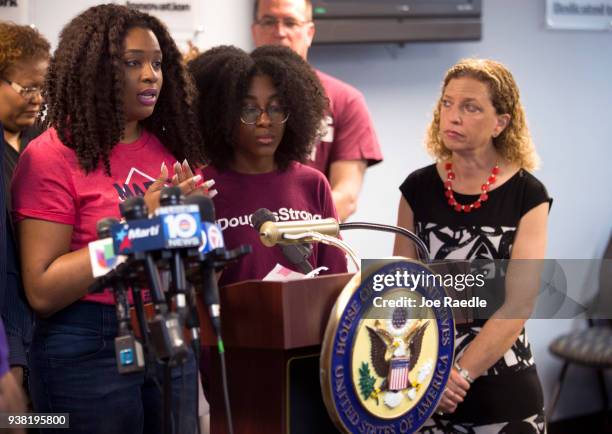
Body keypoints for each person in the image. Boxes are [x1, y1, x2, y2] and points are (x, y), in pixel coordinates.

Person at [11, 5, 205, 433]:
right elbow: (43, 289)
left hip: (168, 329)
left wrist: (193, 226)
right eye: (133, 63)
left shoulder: (169, 150)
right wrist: (137, 231)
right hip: (87, 342)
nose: (151, 75)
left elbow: (189, 262)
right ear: (95, 71)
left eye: (157, 63)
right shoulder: (51, 157)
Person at [394, 58, 551, 433]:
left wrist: (459, 375)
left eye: (471, 107)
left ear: (501, 122)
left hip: (502, 392)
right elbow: (401, 288)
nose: (453, 116)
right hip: (424, 387)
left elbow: (519, 304)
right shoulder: (416, 188)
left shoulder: (528, 195)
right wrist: (421, 374)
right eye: (447, 103)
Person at [188, 45, 348, 286]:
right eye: (249, 109)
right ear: (222, 114)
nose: (265, 121)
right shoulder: (201, 189)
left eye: (276, 108)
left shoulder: (312, 183)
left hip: (305, 322)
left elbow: (335, 278)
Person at [252, 0, 383, 221]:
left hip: (312, 244)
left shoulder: (345, 100)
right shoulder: (226, 97)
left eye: (291, 22)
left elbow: (346, 196)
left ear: (309, 32)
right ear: (255, 30)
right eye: (269, 21)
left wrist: (289, 234)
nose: (280, 32)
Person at [0, 21, 50, 388]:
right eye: (27, 88)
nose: (38, 99)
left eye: (42, 88)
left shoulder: (43, 143)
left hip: (48, 336)